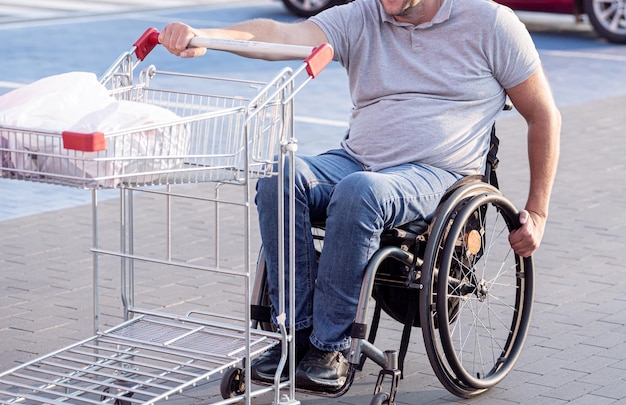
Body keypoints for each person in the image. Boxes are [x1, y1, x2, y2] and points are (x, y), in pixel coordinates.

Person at [159, 0, 561, 393]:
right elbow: (282, 35)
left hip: (437, 174)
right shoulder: (362, 15)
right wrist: (207, 37)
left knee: (359, 192)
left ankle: (330, 348)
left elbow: (543, 115)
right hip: (357, 160)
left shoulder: (490, 23)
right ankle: (294, 335)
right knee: (279, 177)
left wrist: (538, 212)